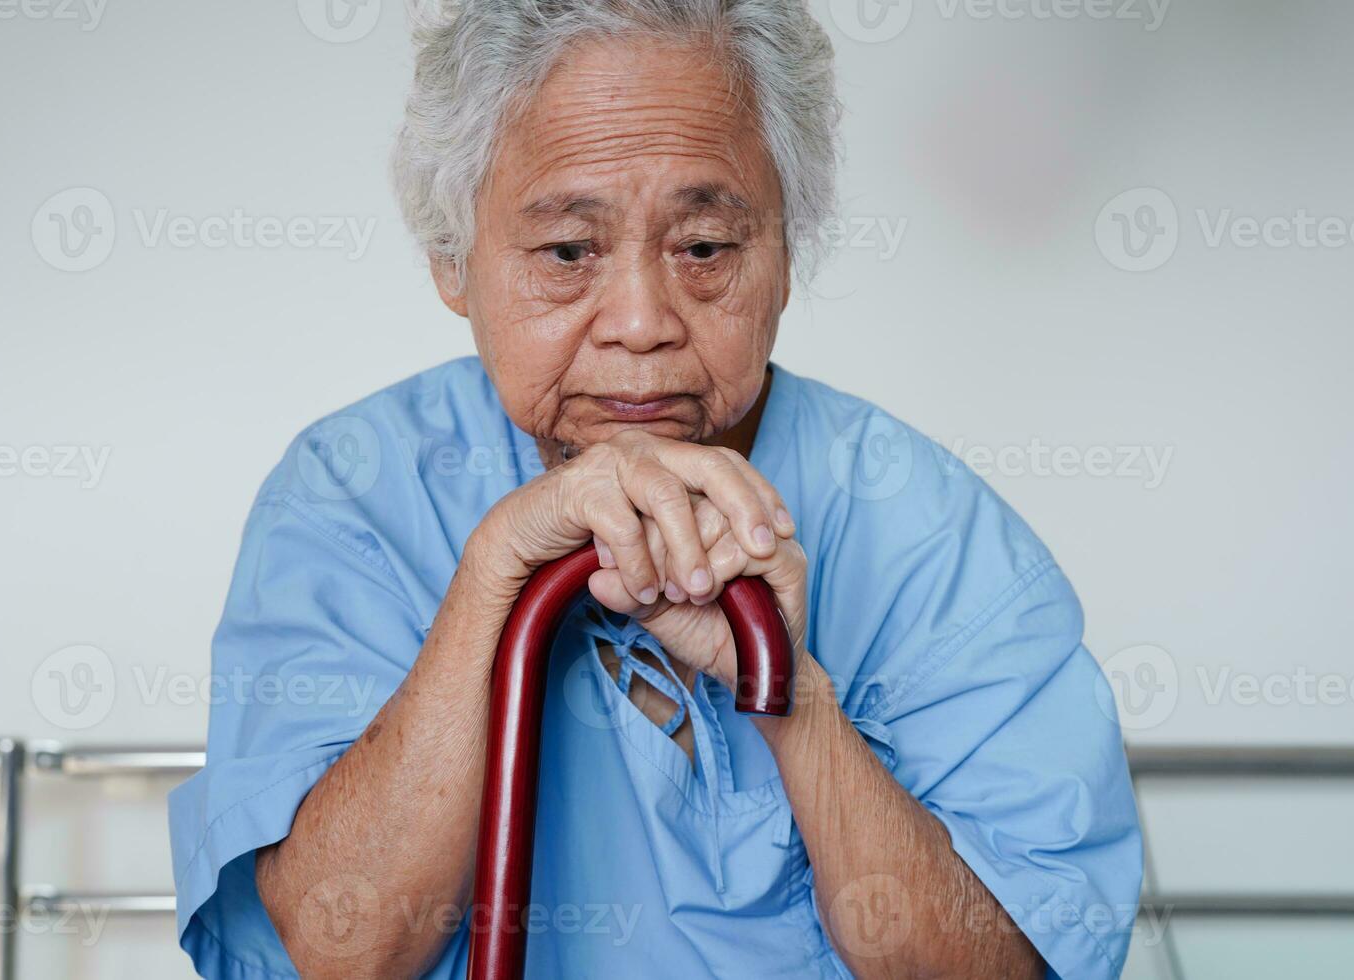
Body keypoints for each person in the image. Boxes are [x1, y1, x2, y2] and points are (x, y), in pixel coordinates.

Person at [168, 1, 1141, 976]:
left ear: (786, 254)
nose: (640, 322)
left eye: (705, 248)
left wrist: (791, 691)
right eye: (567, 252)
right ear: (451, 259)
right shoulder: (353, 494)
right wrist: (496, 575)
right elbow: (343, 951)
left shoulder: (930, 533)